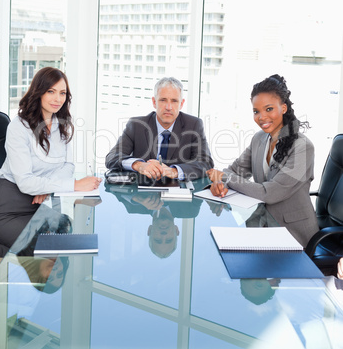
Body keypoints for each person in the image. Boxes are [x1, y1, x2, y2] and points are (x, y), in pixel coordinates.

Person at [0, 67, 101, 256]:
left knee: (65, 229)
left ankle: (10, 251)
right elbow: (25, 182)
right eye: (51, 91)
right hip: (8, 206)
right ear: (38, 92)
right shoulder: (18, 127)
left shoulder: (61, 126)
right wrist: (75, 185)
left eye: (62, 93)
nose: (57, 99)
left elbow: (68, 166)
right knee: (47, 246)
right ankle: (4, 253)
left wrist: (45, 188)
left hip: (38, 202)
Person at [208, 74, 319, 247]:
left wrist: (224, 178)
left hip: (294, 235)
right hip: (261, 226)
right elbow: (234, 170)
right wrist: (222, 182)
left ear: (283, 108)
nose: (261, 117)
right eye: (256, 111)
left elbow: (270, 193)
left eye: (269, 109)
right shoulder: (259, 139)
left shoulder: (303, 147)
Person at [105, 76, 214, 181]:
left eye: (174, 101)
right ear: (154, 102)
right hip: (141, 194)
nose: (168, 107)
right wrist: (138, 165)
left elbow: (206, 162)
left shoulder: (194, 125)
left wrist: (174, 171)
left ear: (181, 104)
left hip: (178, 191)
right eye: (163, 100)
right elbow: (112, 157)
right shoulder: (136, 125)